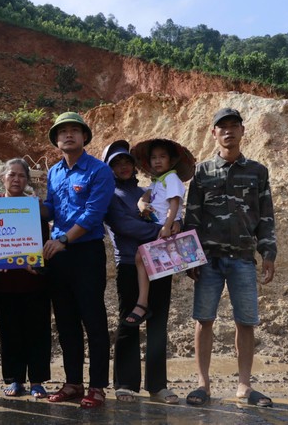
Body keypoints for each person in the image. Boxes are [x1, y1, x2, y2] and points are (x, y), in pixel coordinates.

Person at [184, 108, 277, 407]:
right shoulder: (202, 172)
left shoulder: (258, 171)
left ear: (242, 130)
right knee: (204, 319)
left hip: (242, 258)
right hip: (208, 259)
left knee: (245, 321)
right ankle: (203, 385)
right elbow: (192, 218)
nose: (228, 131)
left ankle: (244, 386)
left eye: (234, 126)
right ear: (213, 133)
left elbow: (266, 216)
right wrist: (191, 259)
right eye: (222, 127)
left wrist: (268, 253)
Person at [41, 112, 114, 408]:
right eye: (63, 131)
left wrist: (63, 240)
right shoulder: (54, 172)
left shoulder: (99, 171)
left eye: (75, 130)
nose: (68, 135)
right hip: (58, 256)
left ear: (85, 137)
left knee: (93, 320)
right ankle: (73, 382)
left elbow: (93, 214)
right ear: (56, 140)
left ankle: (96, 386)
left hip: (85, 252)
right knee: (67, 321)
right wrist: (19, 208)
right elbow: (50, 208)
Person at [102, 141, 180, 405]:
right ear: (109, 168)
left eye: (126, 161)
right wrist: (163, 233)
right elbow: (125, 227)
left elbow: (174, 213)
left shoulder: (149, 190)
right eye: (116, 163)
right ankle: (125, 383)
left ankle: (158, 386)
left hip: (160, 261)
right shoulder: (109, 195)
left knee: (158, 322)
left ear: (134, 165)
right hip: (128, 263)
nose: (123, 166)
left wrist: (176, 225)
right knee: (129, 321)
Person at [0, 158, 51, 398]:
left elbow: (44, 242)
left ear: (27, 180)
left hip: (33, 280)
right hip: (3, 281)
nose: (16, 179)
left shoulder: (34, 206)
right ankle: (14, 380)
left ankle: (37, 380)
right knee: (9, 331)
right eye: (11, 175)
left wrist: (39, 266)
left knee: (37, 330)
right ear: (2, 178)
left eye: (21, 176)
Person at [124, 138, 195, 326]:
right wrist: (142, 203)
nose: (157, 160)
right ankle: (144, 302)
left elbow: (174, 202)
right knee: (141, 258)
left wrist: (168, 225)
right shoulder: (158, 181)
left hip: (165, 228)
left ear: (171, 161)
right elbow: (147, 195)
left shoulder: (172, 178)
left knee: (141, 257)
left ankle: (142, 303)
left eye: (162, 157)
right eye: (154, 157)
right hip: (160, 226)